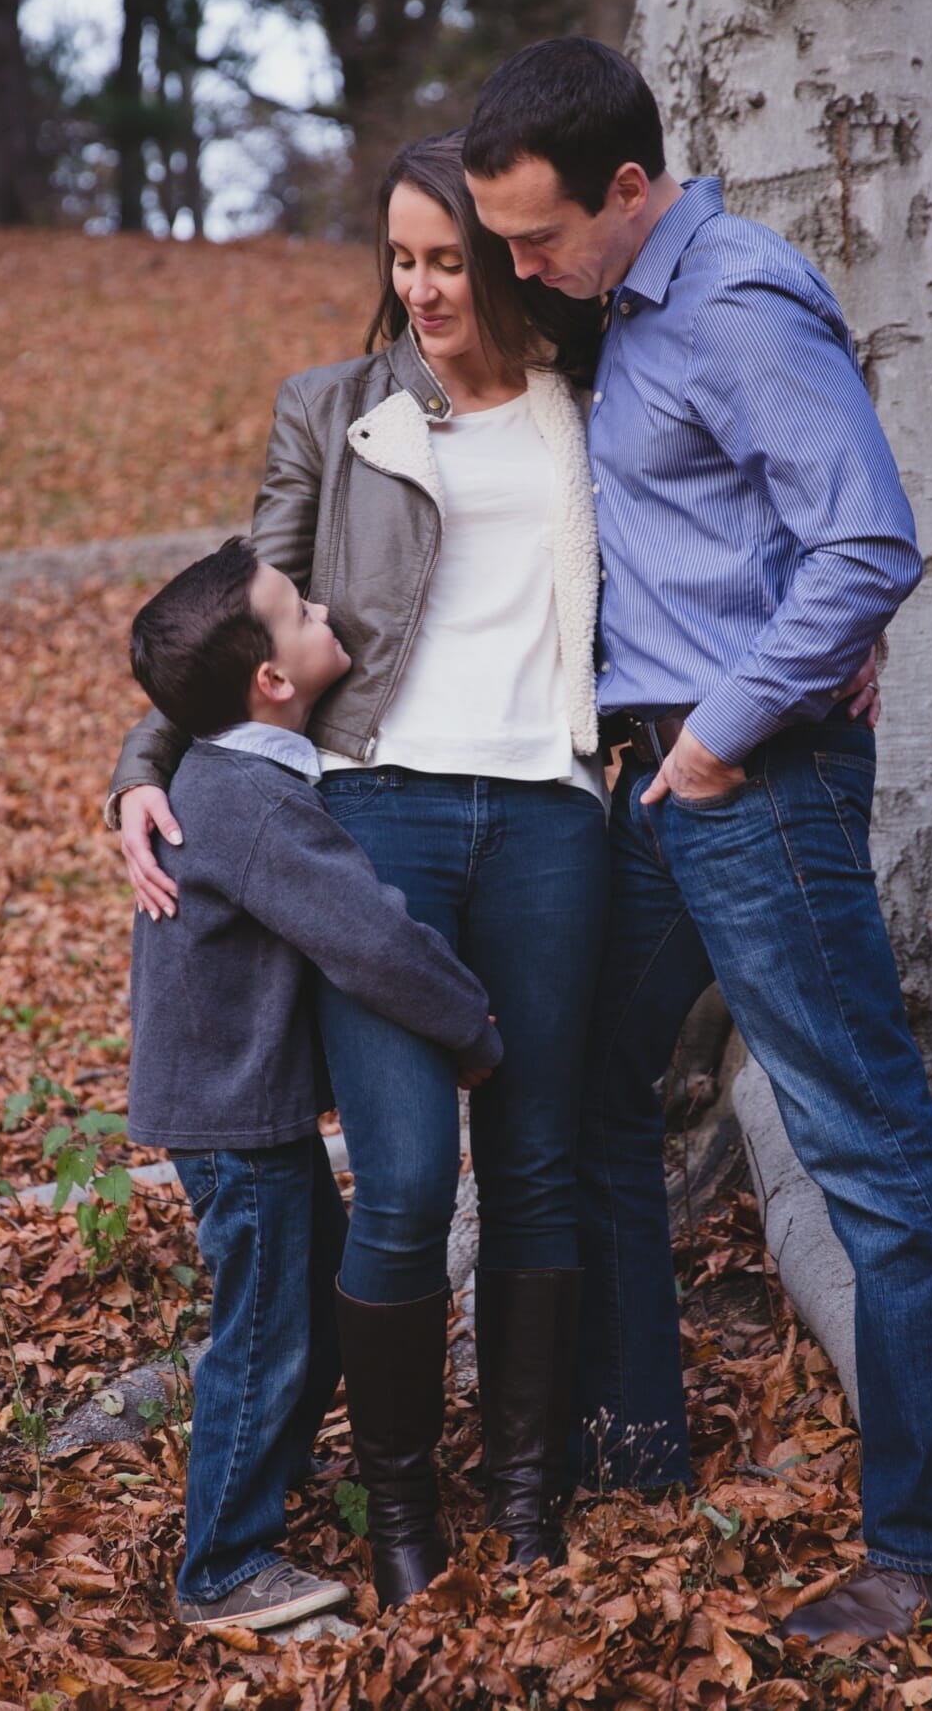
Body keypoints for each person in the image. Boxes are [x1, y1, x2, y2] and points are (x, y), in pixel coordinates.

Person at [462, 37, 932, 1640]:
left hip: (748, 786)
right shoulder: (626, 314)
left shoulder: (734, 299)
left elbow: (865, 536)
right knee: (576, 1084)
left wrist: (719, 735)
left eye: (538, 236)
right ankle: (631, 1431)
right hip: (654, 788)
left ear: (631, 190)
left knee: (866, 1141)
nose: (522, 267)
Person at [108, 133, 612, 1608]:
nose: (421, 284)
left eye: (446, 255)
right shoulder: (332, 410)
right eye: (400, 259)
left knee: (535, 1167)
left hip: (548, 817)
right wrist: (144, 768)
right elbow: (231, 624)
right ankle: (401, 1509)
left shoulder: (589, 393)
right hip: (379, 806)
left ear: (501, 252)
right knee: (397, 1181)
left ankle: (523, 1495)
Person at [125, 536, 502, 1633]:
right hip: (233, 1119)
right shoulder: (249, 802)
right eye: (298, 609)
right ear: (274, 682)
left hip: (245, 1110)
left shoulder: (238, 777)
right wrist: (470, 1022)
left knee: (305, 1312)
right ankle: (224, 1566)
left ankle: (261, 1505)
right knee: (266, 1328)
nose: (324, 606)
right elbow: (370, 939)